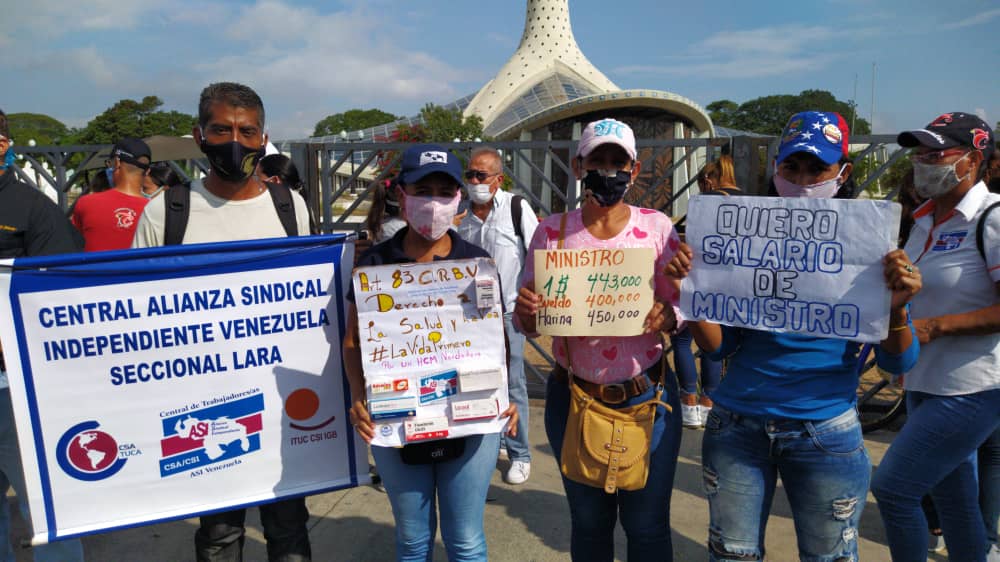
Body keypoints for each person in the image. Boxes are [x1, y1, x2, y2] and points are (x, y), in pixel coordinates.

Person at [667, 111, 921, 561]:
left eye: (817, 168)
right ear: (776, 170)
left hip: (824, 432)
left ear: (842, 174)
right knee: (731, 555)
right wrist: (689, 292)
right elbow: (720, 346)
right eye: (792, 167)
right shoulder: (744, 239)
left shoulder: (871, 250)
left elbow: (898, 363)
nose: (803, 179)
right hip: (736, 427)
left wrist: (896, 308)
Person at [132, 82, 313, 562]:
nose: (235, 140)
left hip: (281, 407)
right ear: (200, 135)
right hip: (204, 405)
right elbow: (135, 314)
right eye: (222, 129)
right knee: (219, 536)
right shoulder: (167, 212)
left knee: (290, 529)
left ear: (263, 137)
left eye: (247, 131)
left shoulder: (290, 207)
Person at [514, 118, 683, 561]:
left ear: (635, 169)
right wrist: (525, 312)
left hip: (648, 397)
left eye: (617, 161)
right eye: (597, 160)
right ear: (578, 166)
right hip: (573, 397)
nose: (607, 171)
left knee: (647, 527)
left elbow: (682, 306)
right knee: (589, 526)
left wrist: (670, 314)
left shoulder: (658, 227)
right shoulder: (551, 230)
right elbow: (528, 320)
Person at [342, 143, 518, 561]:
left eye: (445, 190)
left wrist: (505, 397)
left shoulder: (477, 262)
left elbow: (497, 340)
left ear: (458, 199)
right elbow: (352, 340)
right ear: (401, 194)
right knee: (412, 539)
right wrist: (357, 395)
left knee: (466, 540)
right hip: (395, 417)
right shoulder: (373, 266)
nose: (434, 202)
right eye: (423, 190)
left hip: (472, 418)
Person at [871, 111, 1000, 562]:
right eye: (920, 152)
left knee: (893, 490)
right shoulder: (925, 219)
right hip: (923, 382)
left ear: (972, 159)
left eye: (937, 152)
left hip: (972, 388)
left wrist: (935, 327)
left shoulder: (993, 217)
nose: (925, 161)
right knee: (956, 501)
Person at [0, 109, 86, 561]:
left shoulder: (32, 208)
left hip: (13, 385)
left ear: (2, 145)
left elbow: (61, 292)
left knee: (44, 506)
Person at [457, 146, 538, 484]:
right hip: (472, 316)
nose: (474, 181)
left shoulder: (516, 208)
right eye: (470, 175)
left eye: (481, 175)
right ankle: (496, 442)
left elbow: (538, 255)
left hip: (508, 312)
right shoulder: (460, 214)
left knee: (513, 382)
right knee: (478, 381)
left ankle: (521, 454)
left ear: (498, 179)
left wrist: (531, 304)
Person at [71, 137, 152, 252]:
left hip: (96, 270)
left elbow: (74, 244)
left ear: (117, 163)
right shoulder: (156, 208)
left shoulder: (86, 203)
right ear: (148, 171)